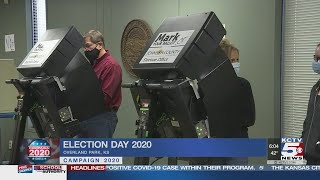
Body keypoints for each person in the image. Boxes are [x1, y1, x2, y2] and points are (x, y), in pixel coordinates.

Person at [214, 39, 256, 164]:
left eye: (237, 60)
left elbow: (250, 119)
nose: (236, 64)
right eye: (232, 61)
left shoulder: (243, 85)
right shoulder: (209, 86)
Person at [78, 30, 122, 138]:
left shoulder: (111, 66)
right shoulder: (93, 65)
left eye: (88, 46)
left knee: (98, 153)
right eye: (84, 47)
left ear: (99, 45)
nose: (85, 50)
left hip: (102, 118)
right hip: (87, 116)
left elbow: (105, 98)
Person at [301, 43, 320, 165]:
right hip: (309, 155)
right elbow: (309, 121)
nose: (317, 62)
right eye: (316, 58)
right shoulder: (315, 88)